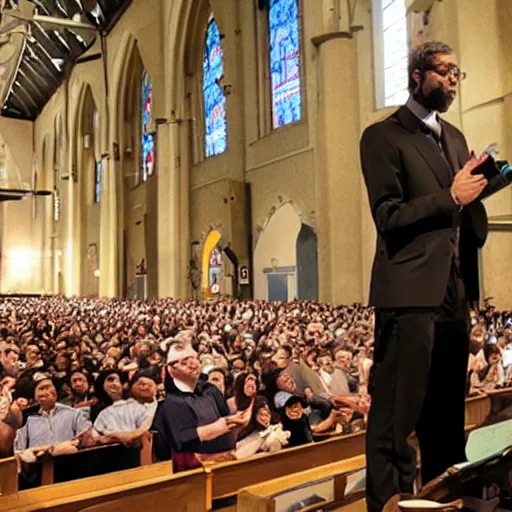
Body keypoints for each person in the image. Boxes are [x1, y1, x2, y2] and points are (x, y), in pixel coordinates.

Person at [360, 41, 512, 512]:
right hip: (408, 290)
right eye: (444, 71)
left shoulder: (453, 136)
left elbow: (458, 209)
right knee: (396, 418)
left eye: (456, 73)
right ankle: (390, 504)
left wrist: (480, 187)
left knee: (445, 413)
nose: (451, 80)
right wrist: (452, 195)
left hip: (453, 288)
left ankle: (447, 500)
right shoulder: (383, 136)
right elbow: (388, 215)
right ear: (417, 75)